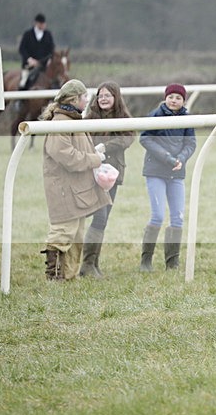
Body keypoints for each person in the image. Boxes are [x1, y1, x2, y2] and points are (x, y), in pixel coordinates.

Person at [41, 79, 112, 281]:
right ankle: (54, 277)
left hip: (74, 189)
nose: (88, 100)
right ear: (74, 99)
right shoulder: (61, 123)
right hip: (63, 189)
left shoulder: (71, 120)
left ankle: (69, 276)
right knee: (63, 232)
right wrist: (94, 159)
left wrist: (93, 152)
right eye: (84, 97)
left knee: (77, 234)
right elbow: (66, 156)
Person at [78, 81, 135, 278]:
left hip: (112, 174)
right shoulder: (89, 117)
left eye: (107, 95)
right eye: (100, 95)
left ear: (115, 98)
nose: (103, 98)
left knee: (104, 219)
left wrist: (105, 146)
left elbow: (128, 138)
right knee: (100, 216)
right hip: (94, 172)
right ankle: (86, 265)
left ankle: (92, 264)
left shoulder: (123, 118)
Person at [139, 83, 196, 271]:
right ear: (165, 98)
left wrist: (180, 158)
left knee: (178, 218)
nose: (174, 100)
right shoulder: (155, 116)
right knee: (157, 216)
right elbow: (145, 138)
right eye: (171, 97)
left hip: (177, 172)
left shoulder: (187, 119)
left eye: (178, 98)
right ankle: (146, 261)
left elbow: (191, 143)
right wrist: (167, 158)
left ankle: (172, 262)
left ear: (183, 101)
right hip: (156, 171)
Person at [18, 13, 55, 90]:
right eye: (41, 23)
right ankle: (19, 100)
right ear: (36, 23)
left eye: (44, 23)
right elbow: (22, 49)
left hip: (44, 66)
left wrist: (45, 61)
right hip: (29, 66)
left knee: (54, 81)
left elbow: (51, 50)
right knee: (23, 82)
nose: (43, 25)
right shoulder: (28, 34)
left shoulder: (48, 34)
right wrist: (29, 59)